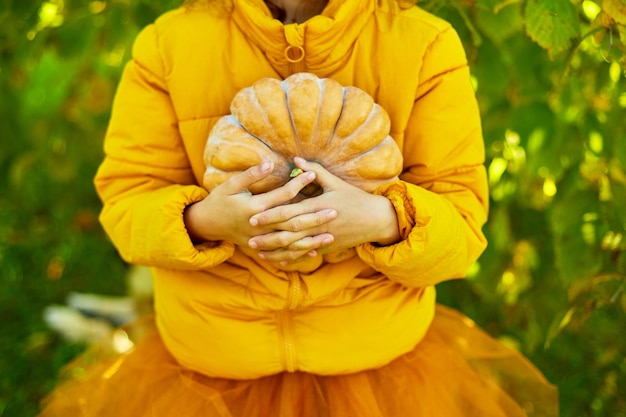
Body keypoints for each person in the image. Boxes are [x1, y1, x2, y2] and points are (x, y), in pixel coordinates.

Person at [39, 0, 559, 416]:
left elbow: (462, 227)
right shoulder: (169, 44)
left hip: (372, 354)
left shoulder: (421, 44)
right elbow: (128, 203)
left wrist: (379, 220)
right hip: (215, 353)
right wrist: (207, 221)